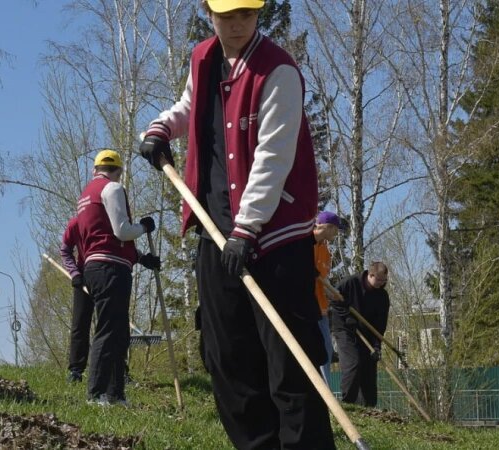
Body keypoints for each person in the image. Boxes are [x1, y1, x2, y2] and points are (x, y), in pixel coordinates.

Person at [138, 0, 335, 447]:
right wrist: (161, 129)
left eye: (247, 14)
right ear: (209, 12)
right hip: (214, 231)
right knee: (228, 362)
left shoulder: (278, 71)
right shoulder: (203, 58)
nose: (238, 24)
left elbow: (274, 155)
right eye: (228, 15)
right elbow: (189, 105)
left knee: (290, 369)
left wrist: (247, 228)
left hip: (274, 238)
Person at [76, 149, 160, 406]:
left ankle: (116, 393)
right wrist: (144, 227)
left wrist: (141, 258)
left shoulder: (86, 195)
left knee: (119, 331)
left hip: (98, 266)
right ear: (118, 170)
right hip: (109, 268)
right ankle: (97, 393)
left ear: (95, 168)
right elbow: (121, 232)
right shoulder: (112, 189)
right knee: (109, 329)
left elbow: (104, 237)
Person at [329, 261, 390, 407]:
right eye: (379, 280)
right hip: (344, 329)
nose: (381, 283)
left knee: (369, 365)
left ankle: (369, 407)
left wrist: (377, 346)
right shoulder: (351, 283)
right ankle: (348, 404)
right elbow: (333, 298)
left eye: (384, 280)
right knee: (353, 363)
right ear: (370, 275)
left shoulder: (382, 296)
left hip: (366, 332)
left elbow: (380, 324)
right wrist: (347, 316)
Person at [60, 217, 92, 383]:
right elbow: (65, 250)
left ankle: (119, 370)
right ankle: (76, 370)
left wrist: (142, 258)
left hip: (108, 273)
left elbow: (123, 248)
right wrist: (75, 273)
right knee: (80, 324)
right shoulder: (76, 223)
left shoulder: (112, 219)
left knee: (111, 324)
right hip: (84, 276)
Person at [314, 211, 344, 385]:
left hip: (322, 308)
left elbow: (323, 278)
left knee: (326, 349)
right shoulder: (305, 244)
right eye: (335, 230)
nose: (336, 234)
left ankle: (325, 392)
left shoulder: (326, 251)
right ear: (328, 227)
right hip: (305, 307)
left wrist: (332, 292)